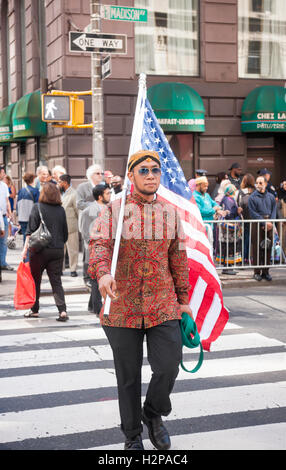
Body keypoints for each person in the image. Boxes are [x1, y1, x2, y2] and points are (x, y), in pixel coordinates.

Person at [88, 150, 192, 451]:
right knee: (128, 377)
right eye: (143, 170)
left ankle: (153, 414)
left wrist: (183, 301)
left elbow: (179, 260)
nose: (150, 175)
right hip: (121, 306)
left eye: (155, 170)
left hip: (163, 305)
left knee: (168, 367)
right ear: (131, 175)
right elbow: (99, 246)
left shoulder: (170, 214)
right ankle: (132, 435)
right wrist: (104, 274)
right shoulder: (114, 211)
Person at [22, 182, 69, 321]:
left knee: (36, 281)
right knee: (56, 281)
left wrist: (25, 250)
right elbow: (65, 233)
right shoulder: (61, 210)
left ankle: (34, 310)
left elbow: (29, 231)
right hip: (57, 250)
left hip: (39, 250)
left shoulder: (37, 207)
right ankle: (62, 311)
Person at [80, 183, 111, 314]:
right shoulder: (88, 211)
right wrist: (100, 237)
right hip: (92, 250)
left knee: (98, 279)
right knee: (94, 279)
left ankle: (91, 305)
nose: (110, 195)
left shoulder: (111, 209)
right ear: (100, 196)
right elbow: (85, 232)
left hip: (107, 249)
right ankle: (97, 308)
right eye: (107, 193)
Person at [76, 164, 104, 287]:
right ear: (91, 175)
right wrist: (95, 206)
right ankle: (86, 276)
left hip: (101, 223)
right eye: (98, 173)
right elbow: (79, 203)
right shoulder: (83, 187)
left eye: (101, 173)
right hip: (87, 222)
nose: (101, 175)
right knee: (87, 249)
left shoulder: (103, 187)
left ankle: (97, 273)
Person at [248, 175, 276, 281]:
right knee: (257, 248)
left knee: (268, 247)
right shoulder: (252, 197)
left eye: (260, 183)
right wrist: (264, 223)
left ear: (265, 184)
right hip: (258, 224)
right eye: (257, 183)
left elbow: (273, 210)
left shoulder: (271, 197)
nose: (258, 185)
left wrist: (270, 222)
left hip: (269, 223)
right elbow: (253, 212)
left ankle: (266, 271)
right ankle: (257, 272)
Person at [216, 184, 243, 274]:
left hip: (229, 229)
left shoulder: (229, 199)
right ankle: (227, 268)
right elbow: (228, 213)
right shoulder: (228, 200)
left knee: (230, 247)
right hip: (228, 229)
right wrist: (236, 215)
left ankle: (229, 267)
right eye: (234, 190)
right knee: (228, 247)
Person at [59, 174, 79, 277]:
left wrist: (79, 225)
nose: (58, 184)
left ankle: (73, 269)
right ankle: (60, 269)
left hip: (71, 226)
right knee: (60, 250)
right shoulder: (59, 193)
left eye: (60, 182)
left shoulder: (74, 194)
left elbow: (77, 211)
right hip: (59, 227)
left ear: (65, 183)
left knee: (73, 249)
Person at [237, 173, 255, 263]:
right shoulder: (256, 192)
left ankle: (244, 258)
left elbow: (238, 205)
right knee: (253, 239)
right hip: (255, 220)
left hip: (244, 219)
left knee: (244, 239)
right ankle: (252, 258)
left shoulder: (241, 192)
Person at [0, 166, 13, 271]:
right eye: (2, 172)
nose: (4, 174)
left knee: (3, 241)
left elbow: (7, 200)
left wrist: (10, 211)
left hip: (3, 217)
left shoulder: (4, 185)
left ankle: (3, 263)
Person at [277, 179, 286, 262]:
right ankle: (282, 259)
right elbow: (278, 209)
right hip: (283, 223)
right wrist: (282, 219)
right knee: (283, 240)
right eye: (284, 185)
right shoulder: (280, 197)